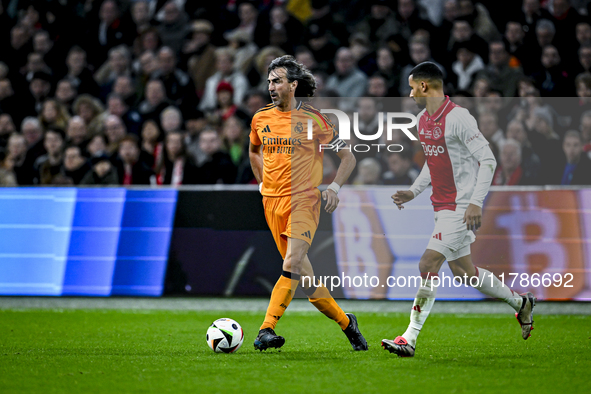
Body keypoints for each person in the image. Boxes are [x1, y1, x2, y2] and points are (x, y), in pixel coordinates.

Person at [382, 62, 536, 358]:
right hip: (441, 207)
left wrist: (476, 202)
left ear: (425, 86)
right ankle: (521, 303)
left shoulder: (459, 118)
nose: (410, 92)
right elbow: (433, 160)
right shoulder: (423, 120)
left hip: (461, 206)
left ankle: (409, 337)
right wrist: (414, 191)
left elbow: (489, 160)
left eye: (412, 86)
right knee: (465, 273)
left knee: (427, 264)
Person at [249, 55, 366, 351]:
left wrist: (335, 188)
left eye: (277, 81)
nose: (271, 87)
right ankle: (346, 322)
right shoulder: (260, 118)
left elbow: (348, 157)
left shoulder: (314, 120)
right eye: (269, 82)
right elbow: (253, 151)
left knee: (291, 263)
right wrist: (262, 182)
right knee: (306, 281)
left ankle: (266, 329)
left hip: (304, 201)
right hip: (271, 204)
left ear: (293, 85)